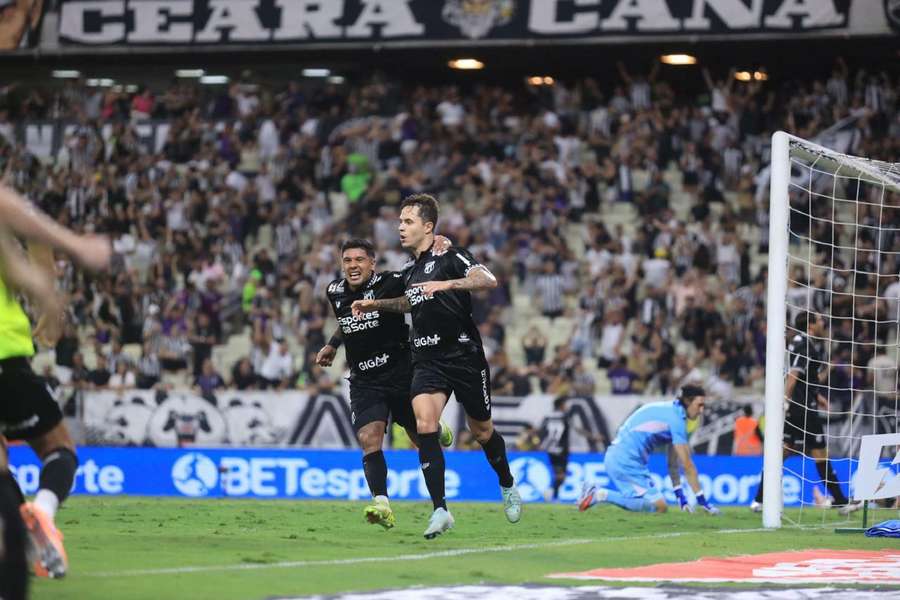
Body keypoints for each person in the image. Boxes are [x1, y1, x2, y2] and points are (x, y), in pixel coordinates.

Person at [352, 193, 521, 539]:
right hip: (427, 360)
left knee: (482, 433)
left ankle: (507, 484)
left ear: (428, 227)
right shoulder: (409, 270)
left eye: (408, 221)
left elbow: (487, 279)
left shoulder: (450, 255)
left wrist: (446, 283)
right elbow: (408, 301)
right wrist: (377, 305)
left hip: (464, 357)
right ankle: (440, 510)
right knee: (425, 425)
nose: (400, 227)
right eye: (400, 221)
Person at [0, 184, 111, 580]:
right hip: (5, 354)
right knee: (57, 447)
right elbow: (19, 217)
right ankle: (42, 514)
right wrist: (50, 285)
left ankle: (19, 533)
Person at [316, 237, 454, 530]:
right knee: (369, 438)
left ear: (372, 263)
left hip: (401, 374)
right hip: (364, 379)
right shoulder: (334, 290)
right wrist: (332, 345)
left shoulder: (391, 281)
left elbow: (410, 302)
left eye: (359, 260)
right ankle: (382, 503)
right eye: (347, 261)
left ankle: (440, 499)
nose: (353, 266)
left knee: (421, 438)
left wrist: (375, 304)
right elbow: (347, 318)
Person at [750, 312, 862, 515]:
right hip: (802, 409)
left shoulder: (801, 342)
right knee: (820, 453)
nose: (823, 323)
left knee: (781, 453)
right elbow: (793, 376)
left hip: (800, 405)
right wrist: (785, 401)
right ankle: (840, 500)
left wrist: (816, 395)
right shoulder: (804, 344)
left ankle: (759, 500)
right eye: (820, 320)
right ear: (810, 325)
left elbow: (806, 379)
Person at [578, 385, 720, 515]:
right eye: (699, 405)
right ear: (688, 402)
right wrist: (703, 503)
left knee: (656, 506)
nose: (701, 410)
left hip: (622, 457)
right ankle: (599, 494)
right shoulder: (676, 420)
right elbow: (687, 464)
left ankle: (598, 494)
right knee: (659, 507)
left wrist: (681, 498)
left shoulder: (673, 413)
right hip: (626, 459)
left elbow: (673, 463)